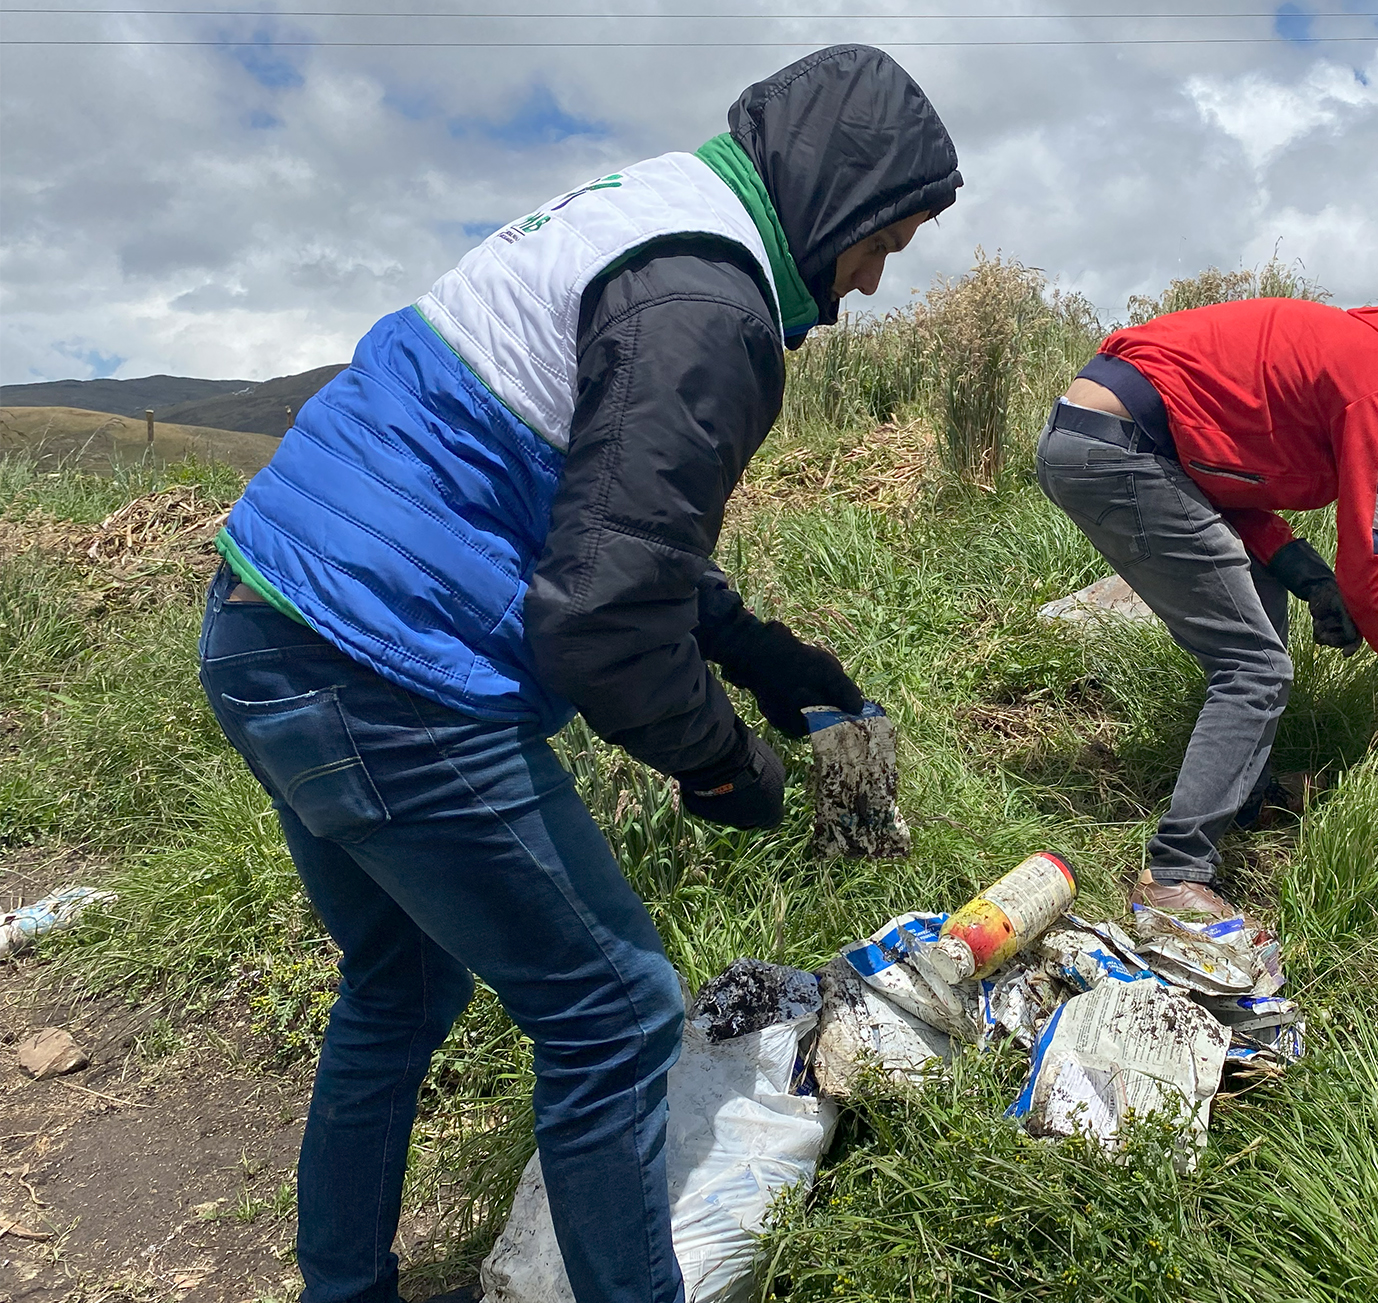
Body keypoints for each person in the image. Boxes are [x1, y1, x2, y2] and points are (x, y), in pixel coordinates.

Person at [197, 45, 959, 1303]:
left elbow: (595, 520)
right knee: (615, 1015)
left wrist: (758, 653)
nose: (871, 281)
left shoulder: (648, 215)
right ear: (839, 194)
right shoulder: (706, 304)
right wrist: (723, 762)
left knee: (400, 984)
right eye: (883, 242)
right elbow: (601, 618)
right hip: (385, 671)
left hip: (267, 626)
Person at [1035, 295, 1378, 918]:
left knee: (1264, 599)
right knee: (1255, 667)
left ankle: (1247, 798)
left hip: (1099, 437)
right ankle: (1174, 876)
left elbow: (1220, 477)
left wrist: (1305, 573)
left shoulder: (1350, 351)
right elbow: (1372, 563)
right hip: (1123, 451)